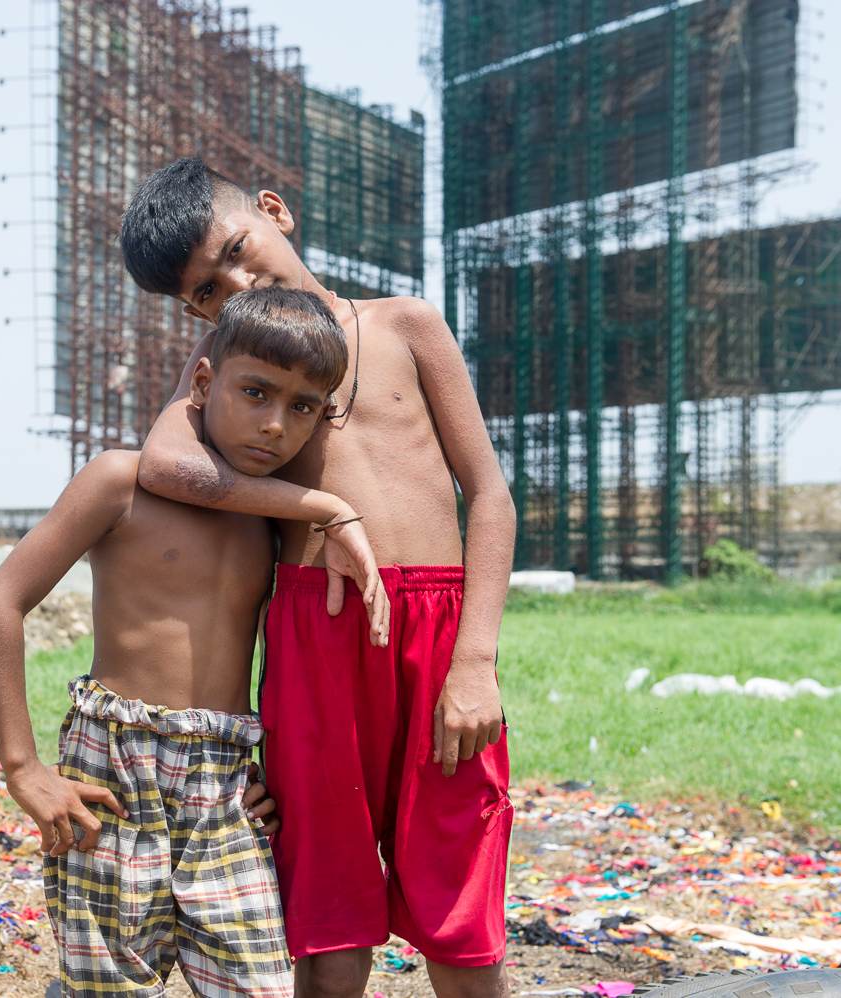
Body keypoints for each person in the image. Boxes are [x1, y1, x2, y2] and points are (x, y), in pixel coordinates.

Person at [120, 157, 518, 998]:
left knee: (460, 888)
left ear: (276, 211)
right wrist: (321, 509)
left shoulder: (404, 325)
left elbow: (488, 494)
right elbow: (162, 462)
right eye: (203, 293)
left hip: (436, 633)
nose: (233, 285)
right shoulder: (230, 377)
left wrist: (475, 659)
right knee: (327, 907)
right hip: (313, 642)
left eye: (236, 249)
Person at [0, 287, 357, 998]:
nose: (275, 425)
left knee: (258, 983)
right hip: (114, 767)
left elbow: (292, 658)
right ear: (205, 384)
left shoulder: (278, 520)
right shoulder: (120, 481)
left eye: (302, 407)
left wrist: (270, 771)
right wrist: (24, 770)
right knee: (106, 983)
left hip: (225, 781)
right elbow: (1, 603)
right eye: (256, 392)